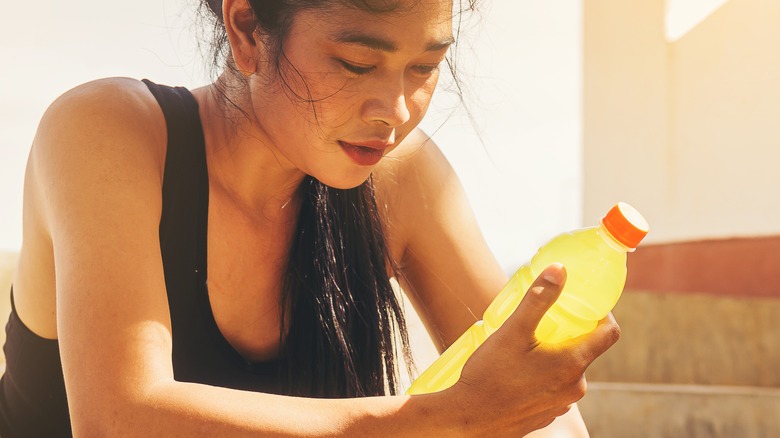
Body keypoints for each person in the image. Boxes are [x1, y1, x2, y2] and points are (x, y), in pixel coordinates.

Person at [0, 0, 620, 436]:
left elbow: (540, 404)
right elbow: (122, 422)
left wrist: (528, 402)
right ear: (245, 28)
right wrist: (442, 421)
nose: (396, 110)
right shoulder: (107, 131)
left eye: (425, 68)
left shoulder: (400, 178)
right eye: (356, 62)